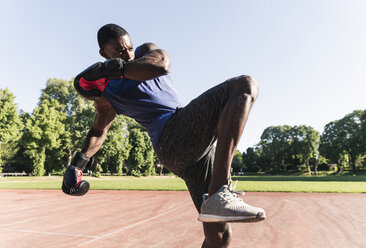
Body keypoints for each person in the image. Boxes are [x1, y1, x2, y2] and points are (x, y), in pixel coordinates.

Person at [62, 23, 265, 248]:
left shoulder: (146, 52)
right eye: (120, 51)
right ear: (103, 53)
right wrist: (77, 164)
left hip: (194, 154)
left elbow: (162, 65)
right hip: (172, 135)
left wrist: (114, 68)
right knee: (245, 85)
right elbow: (99, 131)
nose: (128, 54)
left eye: (129, 47)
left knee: (219, 235)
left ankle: (216, 199)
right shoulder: (109, 93)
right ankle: (219, 191)